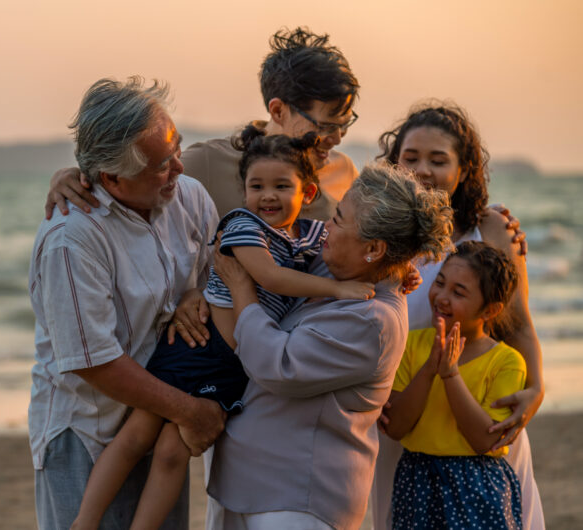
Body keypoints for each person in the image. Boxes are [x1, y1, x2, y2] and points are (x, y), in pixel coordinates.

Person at [70, 125, 374, 530]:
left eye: (282, 186)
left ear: (309, 194)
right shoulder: (243, 226)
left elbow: (350, 244)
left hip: (236, 368)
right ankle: (83, 523)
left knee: (172, 453)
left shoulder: (310, 237)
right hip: (200, 345)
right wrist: (339, 290)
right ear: (243, 190)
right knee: (137, 435)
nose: (268, 195)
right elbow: (272, 279)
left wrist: (397, 274)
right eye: (256, 185)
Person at [44, 26, 362, 349]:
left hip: (308, 349)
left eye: (344, 125)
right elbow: (140, 170)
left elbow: (359, 250)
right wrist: (71, 175)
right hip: (238, 352)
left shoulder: (343, 172)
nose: (336, 139)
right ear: (278, 110)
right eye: (325, 126)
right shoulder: (209, 163)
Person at [207, 164, 453, 530]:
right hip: (255, 485)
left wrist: (241, 288)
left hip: (297, 499)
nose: (325, 226)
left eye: (338, 220)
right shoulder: (335, 267)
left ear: (373, 249)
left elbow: (278, 365)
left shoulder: (372, 320)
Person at [28, 77, 226, 530]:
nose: (178, 167)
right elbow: (93, 361)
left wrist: (197, 294)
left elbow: (220, 278)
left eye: (177, 149)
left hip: (162, 425)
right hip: (89, 432)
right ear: (111, 177)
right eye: (162, 164)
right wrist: (190, 412)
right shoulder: (71, 238)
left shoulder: (189, 197)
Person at [371, 102, 545, 529]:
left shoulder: (490, 228)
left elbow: (517, 321)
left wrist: (536, 390)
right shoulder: (379, 233)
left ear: (464, 169)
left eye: (438, 159)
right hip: (404, 421)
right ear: (395, 163)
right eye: (410, 158)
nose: (423, 170)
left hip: (476, 417)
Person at [385, 241, 525, 529]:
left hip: (477, 482)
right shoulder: (411, 345)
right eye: (440, 283)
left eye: (458, 292)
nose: (441, 297)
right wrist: (429, 370)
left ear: (490, 310)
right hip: (417, 479)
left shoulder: (506, 362)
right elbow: (395, 427)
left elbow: (484, 440)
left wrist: (450, 374)